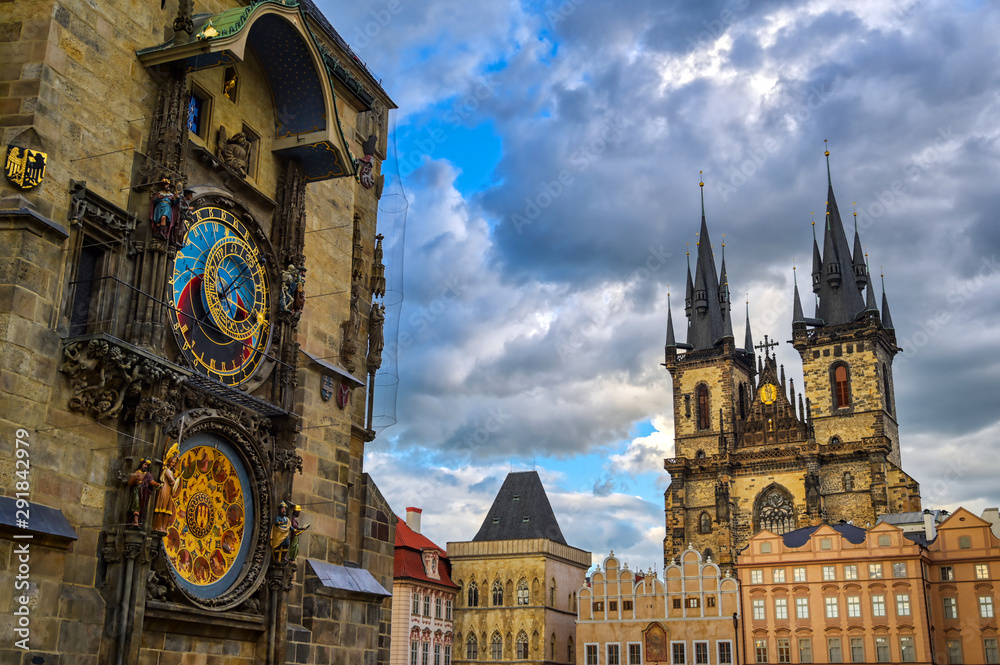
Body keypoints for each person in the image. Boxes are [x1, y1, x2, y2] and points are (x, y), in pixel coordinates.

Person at [151, 443, 181, 534]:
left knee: (167, 509)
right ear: (168, 462)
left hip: (168, 491)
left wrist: (178, 461)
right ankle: (157, 526)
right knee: (162, 507)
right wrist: (175, 483)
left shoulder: (171, 470)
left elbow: (174, 470)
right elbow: (172, 481)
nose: (172, 464)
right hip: (165, 489)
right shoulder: (166, 470)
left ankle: (163, 527)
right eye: (171, 462)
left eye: (173, 463)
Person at [128, 458, 160, 528]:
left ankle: (136, 521)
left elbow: (151, 482)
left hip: (143, 493)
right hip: (136, 491)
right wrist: (134, 479)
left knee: (141, 507)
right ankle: (135, 521)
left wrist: (157, 484)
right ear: (141, 464)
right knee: (136, 505)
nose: (146, 466)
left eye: (147, 465)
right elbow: (130, 483)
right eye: (145, 464)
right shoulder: (137, 472)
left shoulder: (148, 474)